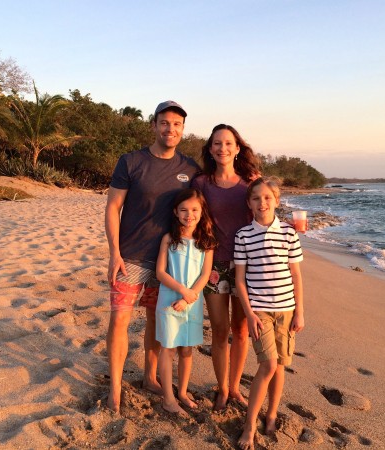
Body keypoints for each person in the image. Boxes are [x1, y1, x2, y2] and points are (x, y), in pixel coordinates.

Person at [105, 100, 200, 413]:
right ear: (154, 125)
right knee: (119, 319)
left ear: (182, 130)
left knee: (154, 323)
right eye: (164, 123)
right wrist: (114, 252)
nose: (170, 129)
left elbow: (204, 205)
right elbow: (113, 208)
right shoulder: (131, 161)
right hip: (130, 257)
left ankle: (149, 377)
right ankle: (115, 390)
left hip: (168, 263)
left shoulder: (189, 169)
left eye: (176, 124)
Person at [191, 124, 260, 410]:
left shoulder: (251, 181)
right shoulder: (201, 182)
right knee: (219, 330)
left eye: (228, 143)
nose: (223, 148)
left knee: (241, 330)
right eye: (217, 143)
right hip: (214, 263)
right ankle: (221, 388)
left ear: (237, 148)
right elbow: (189, 216)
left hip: (247, 264)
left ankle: (235, 387)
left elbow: (266, 214)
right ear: (210, 148)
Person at [233, 177, 305, 450]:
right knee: (268, 365)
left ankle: (272, 414)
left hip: (286, 310)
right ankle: (250, 424)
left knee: (281, 365)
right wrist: (249, 314)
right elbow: (240, 279)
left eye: (267, 198)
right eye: (256, 198)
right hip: (259, 310)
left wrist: (300, 312)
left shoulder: (289, 233)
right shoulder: (243, 235)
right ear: (249, 203)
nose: (262, 203)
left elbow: (296, 275)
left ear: (276, 200)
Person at [155, 188, 217, 416]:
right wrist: (182, 291)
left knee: (187, 349)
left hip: (193, 301)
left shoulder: (206, 242)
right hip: (170, 300)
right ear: (175, 212)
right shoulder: (169, 239)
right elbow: (161, 272)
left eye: (194, 210)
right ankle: (168, 398)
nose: (188, 214)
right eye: (183, 210)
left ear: (202, 212)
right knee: (168, 348)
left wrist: (189, 297)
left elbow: (205, 274)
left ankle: (182, 392)